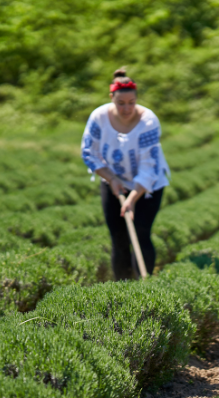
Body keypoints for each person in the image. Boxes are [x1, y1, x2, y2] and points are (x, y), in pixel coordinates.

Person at [81, 67, 170, 280]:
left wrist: (132, 198)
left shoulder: (148, 121)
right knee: (119, 238)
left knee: (140, 233)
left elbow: (150, 165)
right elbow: (88, 153)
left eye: (131, 103)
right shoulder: (99, 117)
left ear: (137, 100)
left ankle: (143, 285)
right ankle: (122, 288)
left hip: (148, 187)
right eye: (121, 103)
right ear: (111, 98)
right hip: (113, 182)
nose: (127, 108)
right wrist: (111, 179)